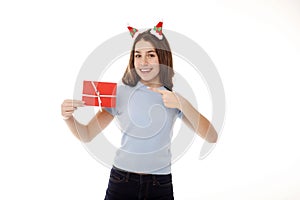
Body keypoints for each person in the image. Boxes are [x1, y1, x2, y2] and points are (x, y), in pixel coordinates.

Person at [61, 24, 218, 200]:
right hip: (121, 182)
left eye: (151, 55)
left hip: (160, 185)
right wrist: (69, 118)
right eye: (138, 55)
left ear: (163, 58)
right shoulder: (120, 92)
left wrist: (182, 103)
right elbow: (87, 134)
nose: (143, 62)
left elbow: (212, 137)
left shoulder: (173, 98)